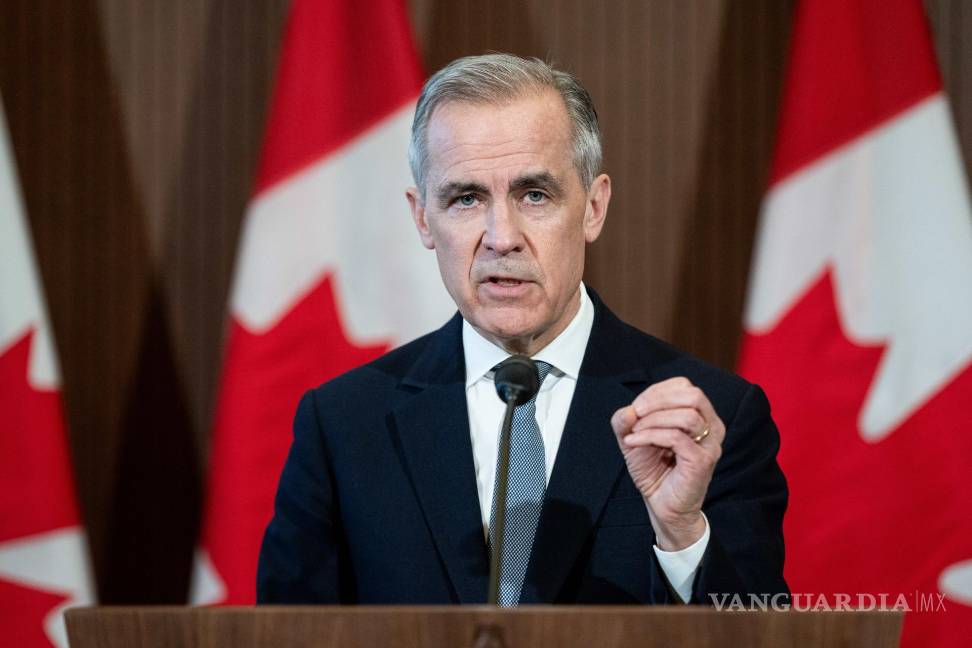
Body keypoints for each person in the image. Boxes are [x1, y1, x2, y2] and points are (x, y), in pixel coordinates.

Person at [257, 53, 788, 605]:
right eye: (466, 199)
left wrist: (681, 534)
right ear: (422, 219)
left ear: (593, 207)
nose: (502, 237)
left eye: (534, 195)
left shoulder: (710, 421)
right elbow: (285, 633)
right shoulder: (343, 425)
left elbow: (762, 632)